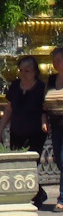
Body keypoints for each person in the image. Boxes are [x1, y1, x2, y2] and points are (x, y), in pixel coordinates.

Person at [7, 55, 50, 208]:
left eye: (27, 70)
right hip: (17, 130)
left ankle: (35, 195)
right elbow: (9, 109)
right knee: (17, 164)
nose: (24, 73)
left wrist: (45, 121)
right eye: (21, 70)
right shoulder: (15, 86)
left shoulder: (41, 88)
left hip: (35, 132)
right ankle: (37, 193)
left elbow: (44, 109)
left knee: (31, 165)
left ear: (35, 72)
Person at [51, 47, 63, 207]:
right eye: (54, 61)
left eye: (59, 60)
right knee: (59, 160)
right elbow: (44, 103)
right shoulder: (51, 80)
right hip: (56, 125)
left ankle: (62, 199)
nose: (56, 63)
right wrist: (43, 119)